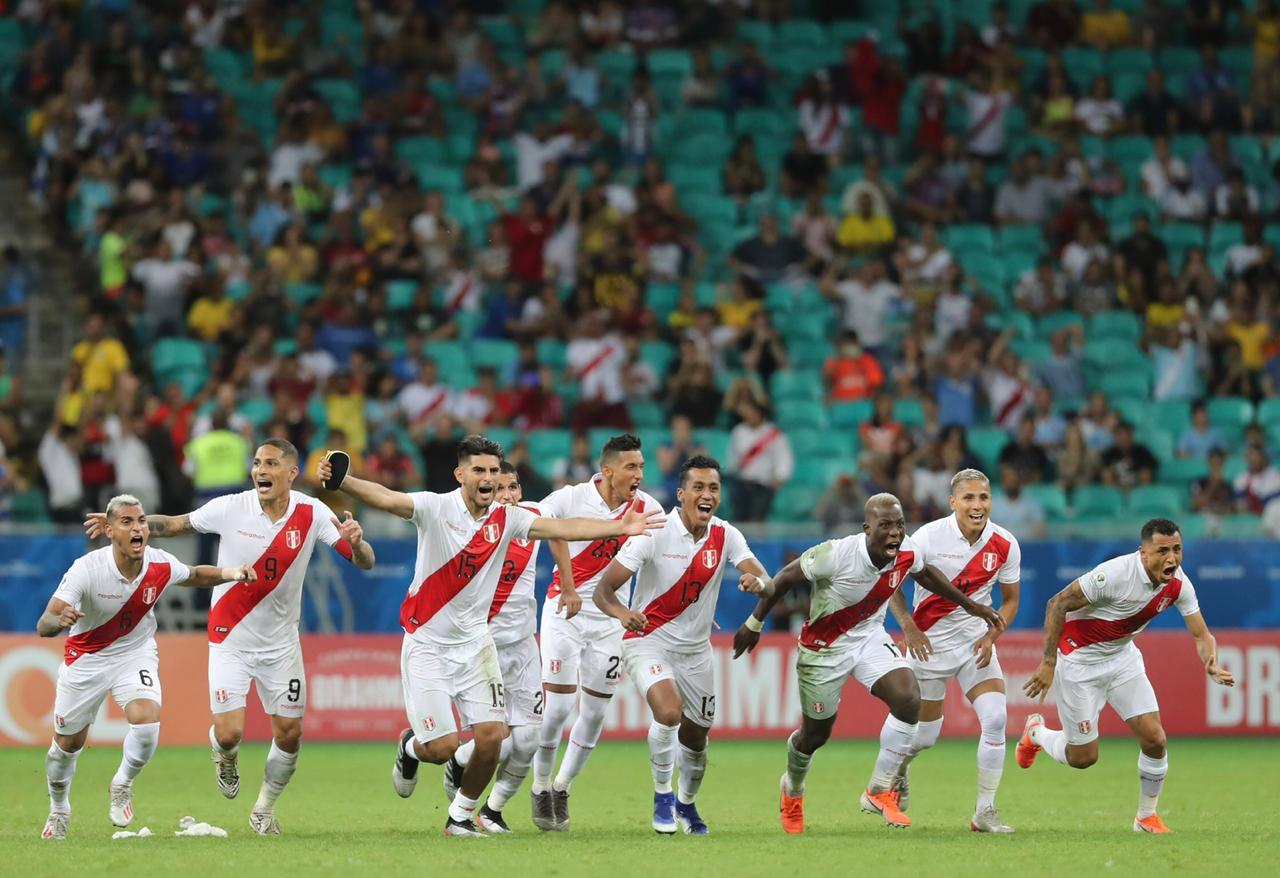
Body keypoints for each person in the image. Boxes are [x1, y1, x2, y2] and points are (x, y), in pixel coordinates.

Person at [317, 434, 662, 837]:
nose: (488, 479)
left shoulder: (509, 519)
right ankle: (411, 747)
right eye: (479, 470)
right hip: (427, 643)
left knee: (492, 740)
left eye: (494, 472)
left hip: (475, 645)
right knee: (444, 748)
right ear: (460, 474)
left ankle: (461, 817)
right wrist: (344, 481)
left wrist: (618, 526)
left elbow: (562, 528)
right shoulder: (435, 507)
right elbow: (387, 497)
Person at [83, 439, 377, 835]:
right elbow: (174, 524)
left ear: (292, 473)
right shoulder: (230, 507)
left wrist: (358, 544)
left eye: (271, 463)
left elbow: (365, 562)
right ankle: (225, 755)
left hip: (281, 646)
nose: (260, 470)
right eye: (256, 463)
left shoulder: (312, 513)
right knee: (230, 732)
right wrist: (126, 523)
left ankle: (264, 808)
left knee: (290, 735)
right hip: (229, 639)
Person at [732, 494, 1005, 833]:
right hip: (824, 649)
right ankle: (793, 789)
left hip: (869, 637)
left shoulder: (906, 550)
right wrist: (754, 623)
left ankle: (879, 789)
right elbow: (785, 578)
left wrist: (972, 606)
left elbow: (927, 575)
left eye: (900, 524)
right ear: (867, 528)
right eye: (886, 525)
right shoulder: (836, 554)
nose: (895, 533)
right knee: (815, 735)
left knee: (908, 698)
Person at [39, 494, 256, 840]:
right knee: (67, 745)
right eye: (127, 522)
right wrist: (59, 619)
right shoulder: (87, 569)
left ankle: (122, 784)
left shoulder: (159, 563)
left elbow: (196, 574)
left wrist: (232, 573)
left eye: (141, 520)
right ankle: (59, 808)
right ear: (109, 531)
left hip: (134, 653)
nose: (138, 527)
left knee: (147, 720)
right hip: (87, 658)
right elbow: (45, 622)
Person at [1018, 519, 1235, 832]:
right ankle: (1035, 732)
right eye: (1162, 551)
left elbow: (1201, 634)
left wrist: (1210, 662)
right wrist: (1048, 662)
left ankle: (1146, 817)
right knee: (1082, 758)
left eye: (1177, 549)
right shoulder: (1115, 575)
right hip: (1079, 663)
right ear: (1143, 553)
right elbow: (1057, 604)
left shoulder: (1178, 584)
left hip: (1122, 659)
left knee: (1155, 739)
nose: (1171, 558)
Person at [593, 455, 769, 835]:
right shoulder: (654, 532)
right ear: (681, 493)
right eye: (699, 488)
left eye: (714, 488)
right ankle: (662, 797)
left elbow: (763, 577)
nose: (707, 495)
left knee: (697, 736)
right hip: (646, 641)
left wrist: (757, 582)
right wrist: (623, 613)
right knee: (669, 712)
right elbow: (603, 590)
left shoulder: (726, 535)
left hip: (696, 653)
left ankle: (687, 805)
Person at [531, 433, 663, 831]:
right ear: (607, 471)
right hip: (564, 609)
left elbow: (663, 557)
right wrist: (570, 586)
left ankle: (561, 786)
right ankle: (538, 787)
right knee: (556, 710)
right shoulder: (570, 497)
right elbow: (546, 526)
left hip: (610, 620)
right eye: (631, 467)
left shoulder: (648, 508)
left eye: (641, 466)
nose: (639, 474)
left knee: (594, 713)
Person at [437, 461, 576, 833]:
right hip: (483, 647)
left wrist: (567, 582)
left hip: (523, 644)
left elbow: (559, 533)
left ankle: (493, 811)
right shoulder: (472, 529)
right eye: (499, 489)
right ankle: (458, 764)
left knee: (529, 738)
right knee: (495, 740)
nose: (508, 495)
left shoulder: (531, 515)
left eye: (513, 487)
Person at [883, 470, 1022, 832]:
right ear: (953, 502)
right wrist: (909, 628)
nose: (978, 506)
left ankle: (985, 811)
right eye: (969, 498)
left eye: (984, 498)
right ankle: (898, 771)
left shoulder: (1005, 543)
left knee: (995, 719)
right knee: (925, 736)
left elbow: (1010, 602)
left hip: (975, 645)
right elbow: (892, 584)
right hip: (929, 646)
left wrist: (992, 636)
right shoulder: (927, 537)